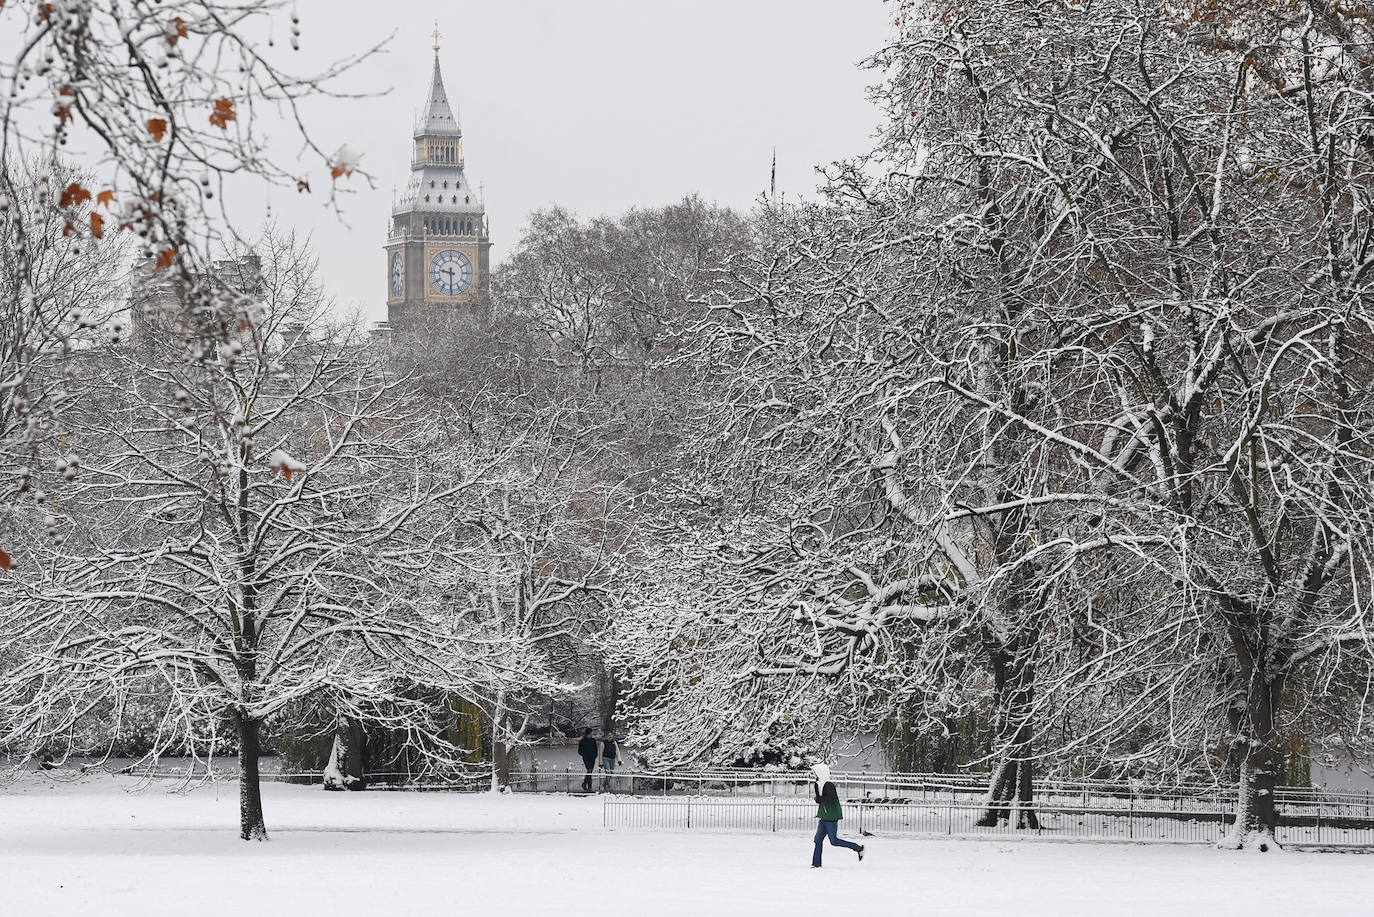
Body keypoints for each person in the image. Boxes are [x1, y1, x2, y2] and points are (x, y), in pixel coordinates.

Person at [810, 762, 864, 868]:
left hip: (831, 817)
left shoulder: (828, 785)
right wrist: (818, 798)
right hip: (823, 816)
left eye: (815, 773)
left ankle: (858, 848)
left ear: (820, 773)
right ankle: (816, 864)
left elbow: (831, 800)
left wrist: (818, 799)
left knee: (834, 841)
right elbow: (820, 799)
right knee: (818, 840)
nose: (814, 775)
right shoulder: (818, 784)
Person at [577, 728, 599, 793]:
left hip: (592, 758)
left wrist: (595, 755)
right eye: (592, 732)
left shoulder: (593, 740)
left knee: (590, 771)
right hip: (586, 758)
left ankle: (587, 784)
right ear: (589, 733)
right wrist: (585, 755)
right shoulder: (582, 741)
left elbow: (595, 749)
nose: (593, 733)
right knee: (589, 770)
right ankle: (588, 785)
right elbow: (580, 751)